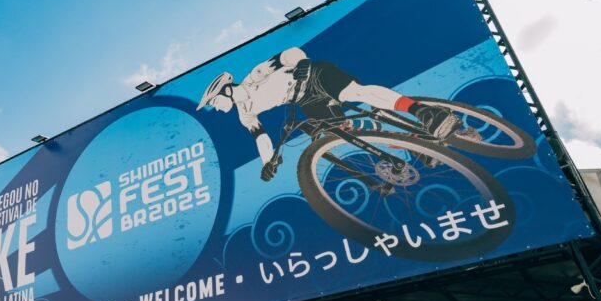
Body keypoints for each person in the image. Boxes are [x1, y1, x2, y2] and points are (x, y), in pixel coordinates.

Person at [196, 47, 459, 181]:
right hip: (305, 100)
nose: (215, 107)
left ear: (225, 89)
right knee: (342, 132)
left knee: (354, 93)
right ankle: (415, 144)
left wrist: (302, 62)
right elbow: (261, 137)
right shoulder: (244, 114)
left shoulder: (255, 76)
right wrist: (268, 163)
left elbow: (289, 53)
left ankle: (424, 112)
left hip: (314, 76)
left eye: (214, 101)